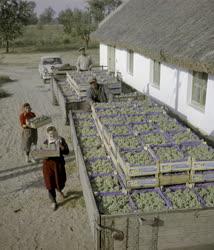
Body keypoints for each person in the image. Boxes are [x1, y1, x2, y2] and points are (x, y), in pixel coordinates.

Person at [42, 126, 69, 211]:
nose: (52, 135)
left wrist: (61, 147)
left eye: (54, 133)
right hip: (48, 167)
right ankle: (53, 201)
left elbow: (67, 152)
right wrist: (46, 155)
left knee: (60, 181)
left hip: (58, 166)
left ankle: (60, 190)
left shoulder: (61, 140)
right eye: (50, 134)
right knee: (50, 184)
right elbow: (43, 155)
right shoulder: (46, 142)